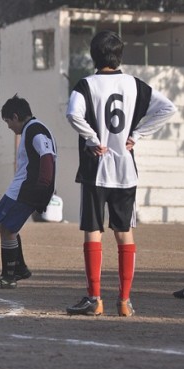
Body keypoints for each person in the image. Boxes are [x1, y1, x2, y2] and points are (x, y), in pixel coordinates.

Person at [65, 30, 176, 317]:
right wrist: (137, 135)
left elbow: (72, 114)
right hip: (126, 170)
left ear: (93, 56)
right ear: (120, 56)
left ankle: (94, 299)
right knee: (124, 233)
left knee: (93, 231)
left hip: (95, 169)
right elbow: (168, 108)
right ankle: (125, 301)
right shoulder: (135, 85)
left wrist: (91, 139)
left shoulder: (86, 85)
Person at [0, 95, 56, 289]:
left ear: (15, 117)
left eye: (8, 121)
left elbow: (47, 157)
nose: (8, 127)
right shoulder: (31, 129)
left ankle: (8, 277)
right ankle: (20, 267)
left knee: (7, 228)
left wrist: (43, 184)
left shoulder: (35, 130)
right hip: (21, 186)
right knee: (1, 220)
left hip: (28, 188)